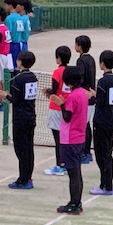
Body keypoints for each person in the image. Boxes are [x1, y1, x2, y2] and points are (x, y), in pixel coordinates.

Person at [50, 66, 88, 215]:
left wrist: (61, 104)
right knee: (77, 172)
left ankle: (74, 203)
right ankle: (76, 202)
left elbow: (67, 116)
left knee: (73, 173)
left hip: (70, 139)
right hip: (79, 137)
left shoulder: (72, 97)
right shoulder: (83, 94)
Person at [0, 51, 38, 190]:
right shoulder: (33, 77)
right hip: (31, 116)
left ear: (20, 62)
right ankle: (28, 176)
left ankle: (23, 179)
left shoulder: (18, 79)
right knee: (29, 149)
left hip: (20, 118)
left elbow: (15, 100)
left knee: (21, 150)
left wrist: (5, 95)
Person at [90, 50, 113, 196]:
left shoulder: (103, 82)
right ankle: (106, 184)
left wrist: (92, 96)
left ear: (102, 63)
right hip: (112, 121)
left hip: (102, 122)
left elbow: (100, 102)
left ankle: (106, 186)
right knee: (108, 154)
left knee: (102, 155)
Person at [44, 46, 72, 176]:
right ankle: (66, 164)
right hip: (68, 107)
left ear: (58, 58)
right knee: (66, 138)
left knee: (58, 139)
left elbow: (54, 90)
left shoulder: (57, 72)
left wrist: (46, 92)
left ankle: (60, 165)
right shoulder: (71, 71)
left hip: (56, 108)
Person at [75, 35, 96, 164]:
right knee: (86, 125)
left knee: (84, 125)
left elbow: (80, 77)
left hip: (85, 97)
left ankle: (86, 152)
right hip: (91, 96)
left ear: (80, 46)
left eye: (76, 44)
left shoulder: (81, 61)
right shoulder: (91, 59)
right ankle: (86, 151)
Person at [4, 0, 22, 71]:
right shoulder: (19, 17)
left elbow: (9, 34)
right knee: (17, 67)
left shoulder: (9, 18)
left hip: (11, 45)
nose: (5, 7)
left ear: (10, 5)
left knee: (10, 68)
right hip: (18, 45)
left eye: (5, 5)